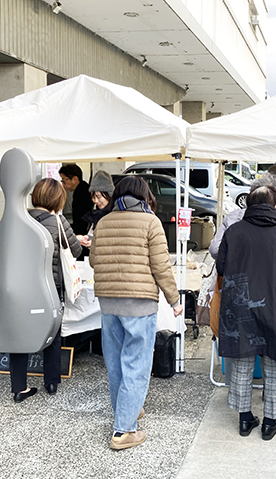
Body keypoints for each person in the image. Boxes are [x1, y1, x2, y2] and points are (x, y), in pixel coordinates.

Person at [90, 176, 183, 451]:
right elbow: (161, 266)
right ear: (144, 195)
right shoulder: (150, 221)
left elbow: (95, 260)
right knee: (137, 363)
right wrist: (174, 299)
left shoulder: (103, 222)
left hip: (108, 301)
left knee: (116, 361)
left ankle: (129, 410)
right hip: (139, 302)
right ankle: (124, 431)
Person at [216, 185, 276, 441]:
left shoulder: (235, 231)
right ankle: (270, 422)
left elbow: (222, 265)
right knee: (275, 362)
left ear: (248, 204)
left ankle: (245, 419)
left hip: (239, 306)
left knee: (242, 361)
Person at [9, 178, 85, 404]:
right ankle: (51, 382)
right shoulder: (58, 222)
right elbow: (77, 250)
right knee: (52, 333)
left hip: (21, 289)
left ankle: (19, 388)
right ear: (58, 199)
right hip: (50, 289)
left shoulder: (18, 220)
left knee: (19, 335)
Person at [59, 164, 91, 236]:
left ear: (75, 179)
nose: (63, 184)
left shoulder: (81, 193)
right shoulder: (83, 188)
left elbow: (80, 219)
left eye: (64, 181)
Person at [81, 170, 114, 237]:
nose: (95, 201)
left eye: (98, 197)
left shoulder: (116, 214)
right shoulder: (95, 215)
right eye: (93, 197)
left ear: (109, 195)